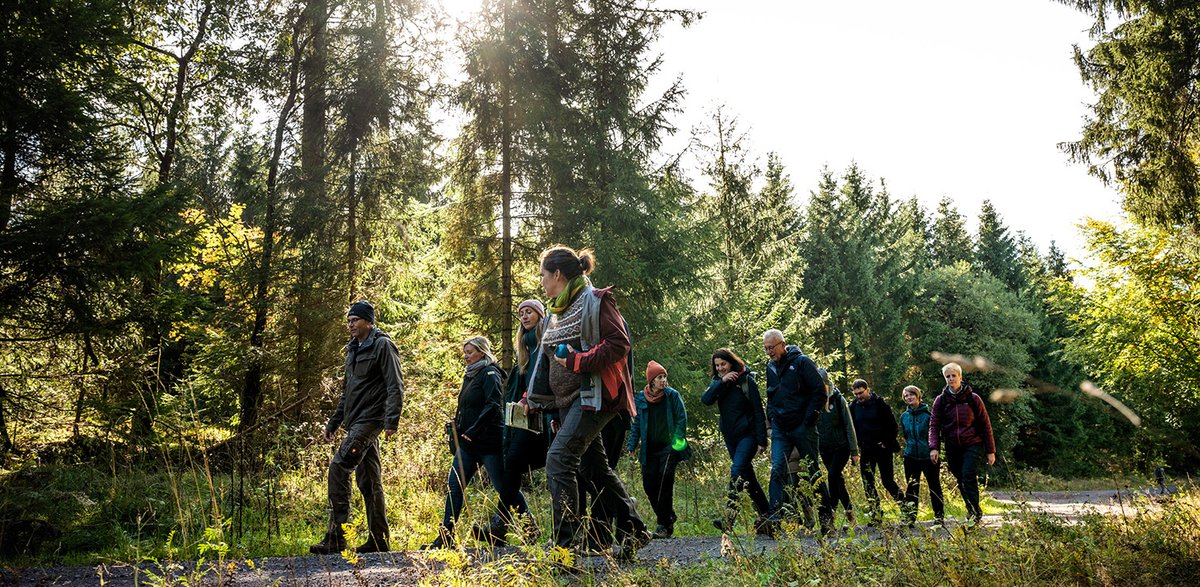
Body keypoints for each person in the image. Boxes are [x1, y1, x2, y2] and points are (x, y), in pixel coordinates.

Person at [524, 245, 650, 556]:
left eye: (543, 275)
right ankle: (634, 529)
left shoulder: (596, 301)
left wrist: (580, 361)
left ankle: (566, 547)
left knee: (558, 459)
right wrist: (533, 397)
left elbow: (619, 344)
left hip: (594, 397)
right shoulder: (555, 309)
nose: (541, 281)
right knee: (594, 468)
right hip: (568, 401)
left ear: (557, 274)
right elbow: (546, 359)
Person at [310, 300, 404, 555]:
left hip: (370, 421)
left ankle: (337, 537)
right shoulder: (352, 349)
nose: (350, 324)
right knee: (369, 481)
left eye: (355, 320)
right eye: (348, 320)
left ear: (368, 322)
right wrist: (334, 422)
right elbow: (347, 392)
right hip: (354, 422)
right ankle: (379, 541)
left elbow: (395, 385)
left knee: (339, 468)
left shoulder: (383, 345)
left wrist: (391, 420)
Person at [422, 336, 521, 549]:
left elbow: (494, 405)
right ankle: (445, 537)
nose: (466, 356)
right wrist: (457, 424)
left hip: (489, 443)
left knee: (504, 487)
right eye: (464, 352)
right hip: (468, 444)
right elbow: (469, 407)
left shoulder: (490, 374)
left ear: (482, 352)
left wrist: (473, 431)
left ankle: (530, 527)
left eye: (470, 352)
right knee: (454, 486)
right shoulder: (470, 376)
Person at [489, 299, 552, 543]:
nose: (524, 317)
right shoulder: (524, 351)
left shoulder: (544, 342)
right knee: (512, 465)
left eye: (529, 312)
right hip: (526, 420)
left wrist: (528, 398)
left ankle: (501, 524)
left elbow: (543, 377)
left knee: (515, 463)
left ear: (540, 315)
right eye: (521, 314)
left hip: (545, 416)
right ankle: (504, 526)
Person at [762, 329, 833, 534]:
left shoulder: (802, 362)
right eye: (766, 349)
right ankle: (774, 522)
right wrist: (772, 416)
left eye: (771, 348)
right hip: (780, 429)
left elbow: (819, 392)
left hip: (803, 427)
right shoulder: (770, 367)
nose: (769, 352)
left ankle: (826, 520)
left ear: (782, 344)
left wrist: (809, 419)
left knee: (813, 473)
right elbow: (771, 394)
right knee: (777, 470)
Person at [702, 348, 769, 532]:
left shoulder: (747, 380)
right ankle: (768, 516)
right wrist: (721, 382)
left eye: (723, 364)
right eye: (717, 366)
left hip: (748, 436)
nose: (720, 368)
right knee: (748, 478)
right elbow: (706, 399)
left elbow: (758, 411)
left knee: (737, 471)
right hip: (730, 438)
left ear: (731, 362)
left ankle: (728, 518)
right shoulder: (718, 383)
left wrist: (762, 440)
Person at [627, 361, 689, 538]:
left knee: (665, 482)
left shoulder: (672, 396)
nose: (663, 380)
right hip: (649, 449)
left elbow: (681, 419)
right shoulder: (641, 398)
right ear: (651, 381)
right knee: (649, 485)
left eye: (664, 377)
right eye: (659, 377)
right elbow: (637, 423)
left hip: (669, 448)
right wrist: (632, 444)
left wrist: (677, 442)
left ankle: (663, 524)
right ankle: (668, 516)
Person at [929, 362, 995, 524]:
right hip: (952, 445)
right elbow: (934, 424)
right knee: (960, 479)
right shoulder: (941, 400)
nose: (951, 379)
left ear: (960, 377)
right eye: (948, 376)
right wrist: (934, 447)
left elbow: (985, 424)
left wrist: (990, 450)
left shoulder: (973, 399)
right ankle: (970, 508)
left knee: (968, 475)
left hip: (972, 443)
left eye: (953, 376)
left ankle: (975, 512)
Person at [849, 379, 903, 525]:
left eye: (861, 392)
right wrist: (857, 447)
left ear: (868, 389)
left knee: (887, 481)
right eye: (856, 394)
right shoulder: (853, 407)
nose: (859, 396)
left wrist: (885, 442)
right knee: (868, 483)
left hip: (883, 449)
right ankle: (876, 515)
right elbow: (852, 429)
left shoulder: (880, 404)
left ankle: (906, 509)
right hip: (866, 450)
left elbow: (893, 426)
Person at [816, 368, 859, 528]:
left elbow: (849, 425)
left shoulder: (838, 399)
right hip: (824, 448)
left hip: (841, 447)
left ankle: (831, 511)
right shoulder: (813, 399)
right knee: (838, 480)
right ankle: (850, 514)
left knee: (833, 475)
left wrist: (854, 451)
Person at [900, 385, 944, 526]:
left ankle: (939, 517)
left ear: (918, 396)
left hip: (929, 456)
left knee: (934, 487)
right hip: (911, 456)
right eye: (906, 396)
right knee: (912, 488)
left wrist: (934, 449)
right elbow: (906, 435)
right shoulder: (904, 417)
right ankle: (910, 518)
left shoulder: (929, 416)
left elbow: (936, 435)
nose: (909, 398)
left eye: (911, 394)